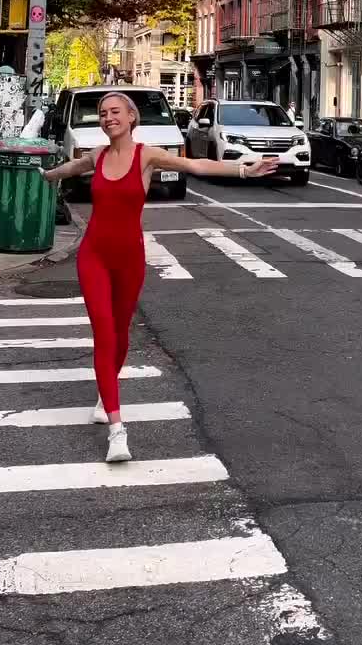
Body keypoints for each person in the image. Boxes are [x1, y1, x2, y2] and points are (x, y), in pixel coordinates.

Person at [41, 91, 278, 464]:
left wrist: (244, 170)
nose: (108, 118)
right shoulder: (97, 156)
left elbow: (197, 166)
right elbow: (71, 169)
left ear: (131, 117)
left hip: (130, 259)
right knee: (104, 333)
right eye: (102, 113)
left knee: (121, 335)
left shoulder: (146, 156)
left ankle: (105, 393)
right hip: (93, 257)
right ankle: (117, 430)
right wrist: (47, 174)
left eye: (115, 112)